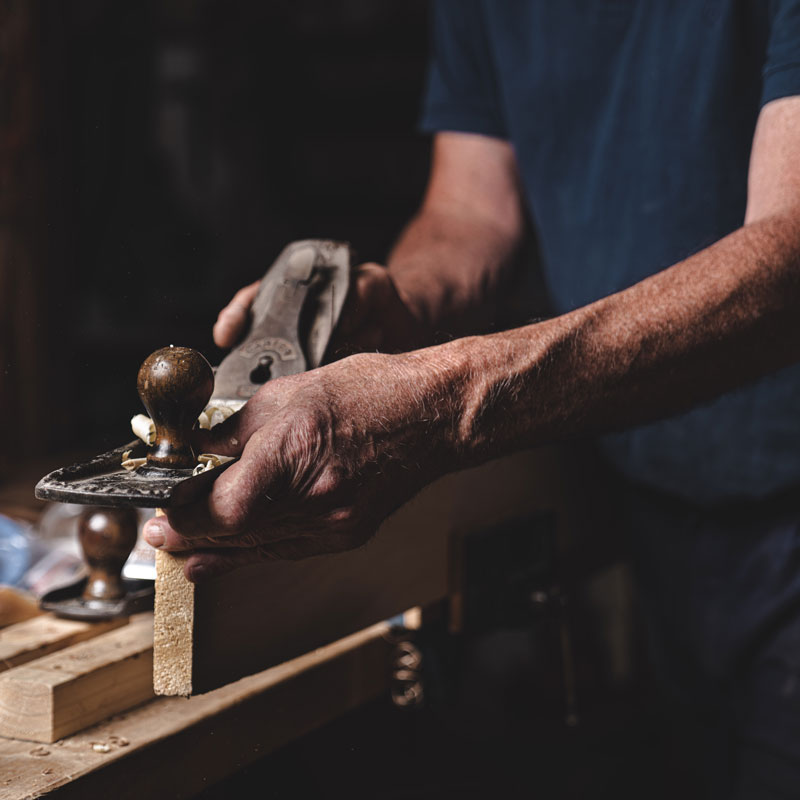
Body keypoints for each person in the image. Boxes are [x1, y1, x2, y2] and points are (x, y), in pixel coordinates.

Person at [144, 2, 800, 795]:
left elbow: (786, 262)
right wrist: (395, 301)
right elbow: (470, 216)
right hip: (659, 499)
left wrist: (447, 400)